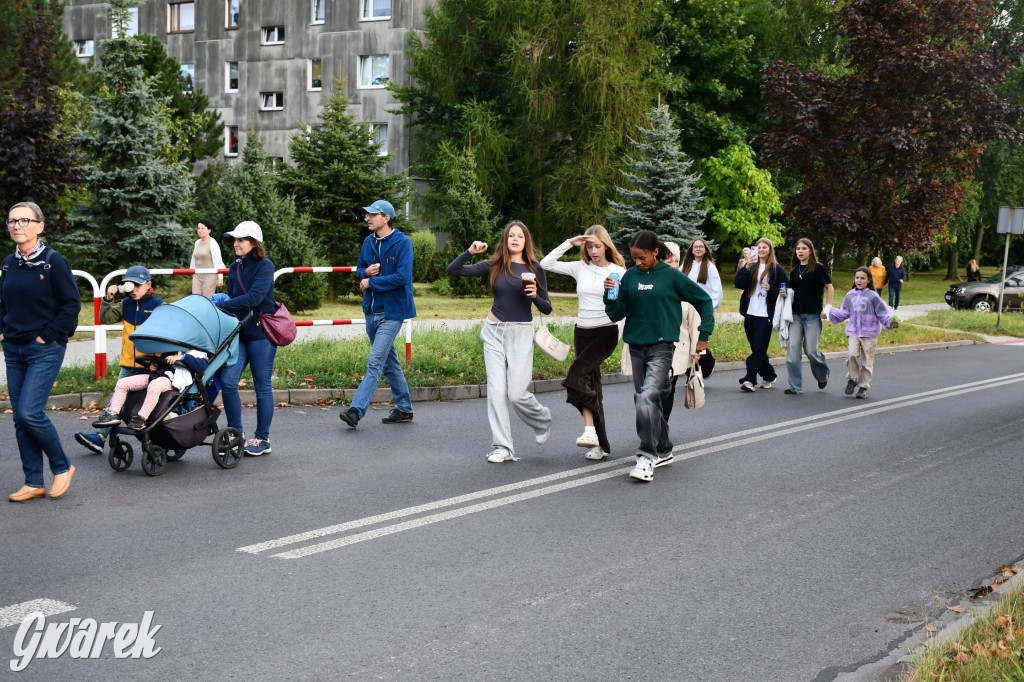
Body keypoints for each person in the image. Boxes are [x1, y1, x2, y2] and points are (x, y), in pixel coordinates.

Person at [603, 231, 713, 483]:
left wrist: (704, 334)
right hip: (636, 346)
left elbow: (704, 301)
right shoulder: (630, 276)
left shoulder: (671, 276)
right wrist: (609, 294)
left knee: (646, 397)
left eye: (642, 257)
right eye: (634, 258)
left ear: (655, 252)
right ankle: (663, 448)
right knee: (649, 400)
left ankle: (646, 456)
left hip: (662, 346)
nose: (637, 262)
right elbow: (616, 313)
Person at [447, 220, 553, 463]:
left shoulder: (535, 269)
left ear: (526, 241)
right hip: (494, 332)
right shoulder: (494, 264)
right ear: (505, 240)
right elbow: (454, 270)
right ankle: (503, 447)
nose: (515, 239)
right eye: (511, 235)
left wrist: (535, 296)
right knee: (496, 392)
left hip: (521, 334)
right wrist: (470, 252)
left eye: (520, 236)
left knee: (516, 394)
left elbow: (547, 308)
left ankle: (542, 419)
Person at [1, 202, 80, 501]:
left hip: (44, 349)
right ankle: (33, 481)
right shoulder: (9, 263)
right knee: (20, 419)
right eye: (12, 221)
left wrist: (46, 336)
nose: (17, 225)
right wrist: (3, 329)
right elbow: (3, 302)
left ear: (39, 226)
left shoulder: (52, 261)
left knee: (29, 412)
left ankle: (62, 466)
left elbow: (71, 304)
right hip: (13, 348)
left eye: (24, 220)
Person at [539, 225, 626, 461]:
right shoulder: (580, 267)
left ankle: (589, 430)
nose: (593, 251)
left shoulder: (619, 271)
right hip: (582, 333)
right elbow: (545, 263)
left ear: (606, 245)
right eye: (589, 247)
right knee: (592, 385)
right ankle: (601, 445)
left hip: (605, 332)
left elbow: (623, 305)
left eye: (597, 246)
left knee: (575, 377)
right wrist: (570, 242)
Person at [338, 200, 417, 429]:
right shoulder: (368, 242)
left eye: (373, 214)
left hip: (393, 313)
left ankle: (355, 411)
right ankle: (405, 409)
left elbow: (402, 277)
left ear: (386, 218)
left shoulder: (402, 242)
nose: (368, 218)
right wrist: (365, 272)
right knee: (388, 362)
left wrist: (371, 282)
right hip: (371, 312)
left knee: (374, 362)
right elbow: (359, 269)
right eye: (367, 215)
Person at [75, 265, 164, 453]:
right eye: (130, 285)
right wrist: (108, 298)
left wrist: (159, 362)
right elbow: (105, 318)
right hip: (128, 364)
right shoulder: (126, 304)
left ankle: (160, 438)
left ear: (148, 285)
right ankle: (100, 437)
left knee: (150, 404)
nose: (133, 289)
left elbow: (167, 334)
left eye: (138, 285)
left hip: (150, 366)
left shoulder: (159, 305)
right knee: (116, 402)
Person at [215, 221, 277, 456]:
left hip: (261, 334)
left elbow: (253, 298)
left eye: (241, 240)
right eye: (235, 239)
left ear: (254, 243)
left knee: (262, 386)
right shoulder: (235, 267)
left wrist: (221, 306)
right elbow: (232, 298)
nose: (236, 243)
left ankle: (262, 438)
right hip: (239, 333)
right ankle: (236, 433)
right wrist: (222, 304)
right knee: (228, 382)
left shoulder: (265, 266)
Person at [825, 266, 898, 400]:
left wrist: (890, 321)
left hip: (870, 333)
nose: (859, 280)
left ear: (869, 280)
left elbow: (883, 312)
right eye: (857, 278)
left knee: (867, 361)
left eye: (862, 278)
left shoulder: (873, 296)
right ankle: (852, 379)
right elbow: (844, 312)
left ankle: (863, 387)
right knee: (851, 355)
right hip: (854, 331)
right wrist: (829, 313)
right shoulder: (850, 295)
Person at [92, 351, 209, 430]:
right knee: (123, 383)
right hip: (158, 375)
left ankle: (141, 419)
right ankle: (112, 414)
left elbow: (201, 365)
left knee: (154, 385)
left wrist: (183, 357)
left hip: (172, 381)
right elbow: (160, 360)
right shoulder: (172, 348)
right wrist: (152, 365)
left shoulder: (199, 351)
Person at [779, 238, 833, 395]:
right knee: (792, 352)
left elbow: (830, 287)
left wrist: (828, 307)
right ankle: (795, 386)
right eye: (798, 249)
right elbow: (792, 292)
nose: (800, 251)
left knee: (811, 351)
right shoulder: (795, 270)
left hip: (812, 315)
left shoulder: (818, 268)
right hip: (795, 316)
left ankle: (822, 375)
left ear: (810, 251)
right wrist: (784, 293)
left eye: (803, 248)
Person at [734, 237, 787, 392]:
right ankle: (769, 375)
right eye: (759, 247)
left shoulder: (777, 269)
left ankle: (749, 379)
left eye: (765, 247)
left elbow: (784, 291)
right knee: (757, 348)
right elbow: (738, 283)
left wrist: (771, 289)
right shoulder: (751, 266)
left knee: (758, 348)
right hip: (750, 313)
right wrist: (747, 267)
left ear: (770, 250)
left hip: (766, 315)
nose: (762, 250)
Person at [681, 237, 723, 312]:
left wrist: (710, 308)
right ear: (692, 250)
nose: (698, 249)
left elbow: (717, 290)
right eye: (695, 247)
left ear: (705, 250)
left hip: (703, 307)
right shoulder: (685, 266)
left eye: (701, 246)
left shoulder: (710, 267)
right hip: (687, 308)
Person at [190, 218, 225, 298]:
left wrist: (220, 278)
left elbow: (218, 261)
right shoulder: (197, 242)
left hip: (210, 277)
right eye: (198, 228)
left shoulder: (213, 243)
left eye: (202, 228)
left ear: (209, 230)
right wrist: (192, 272)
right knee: (195, 298)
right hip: (197, 276)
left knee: (207, 299)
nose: (200, 230)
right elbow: (194, 259)